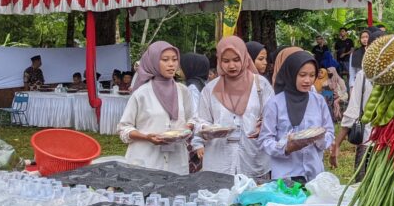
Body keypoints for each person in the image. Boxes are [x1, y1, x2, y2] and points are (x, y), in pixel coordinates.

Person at [192, 36, 275, 179]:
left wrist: (263, 126)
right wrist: (208, 130)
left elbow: (273, 117)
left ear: (244, 57)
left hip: (253, 156)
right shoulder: (210, 89)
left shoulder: (261, 85)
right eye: (226, 61)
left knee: (252, 199)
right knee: (221, 198)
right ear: (219, 61)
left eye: (236, 60)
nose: (231, 66)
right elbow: (201, 120)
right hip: (219, 158)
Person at [117, 41, 194, 174]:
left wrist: (186, 129)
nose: (171, 64)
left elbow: (192, 118)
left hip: (176, 159)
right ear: (153, 61)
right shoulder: (142, 93)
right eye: (165, 60)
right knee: (148, 193)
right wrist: (147, 137)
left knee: (175, 192)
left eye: (175, 60)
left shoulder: (182, 91)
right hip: (146, 159)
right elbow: (124, 128)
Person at [259, 50, 334, 182]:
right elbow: (265, 140)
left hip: (314, 173)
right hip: (285, 175)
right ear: (291, 74)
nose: (307, 80)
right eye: (302, 75)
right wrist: (286, 148)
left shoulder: (318, 101)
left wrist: (318, 138)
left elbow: (329, 132)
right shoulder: (275, 103)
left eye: (312, 75)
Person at [332, 31, 382, 181]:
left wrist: (337, 144)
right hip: (372, 140)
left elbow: (352, 110)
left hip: (384, 143)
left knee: (363, 189)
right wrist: (337, 144)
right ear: (368, 50)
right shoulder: (364, 75)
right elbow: (352, 111)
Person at [180, 53, 210, 173]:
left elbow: (194, 113)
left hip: (193, 133)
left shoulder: (192, 87)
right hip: (201, 131)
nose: (179, 70)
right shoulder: (203, 83)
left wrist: (196, 142)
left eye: (182, 67)